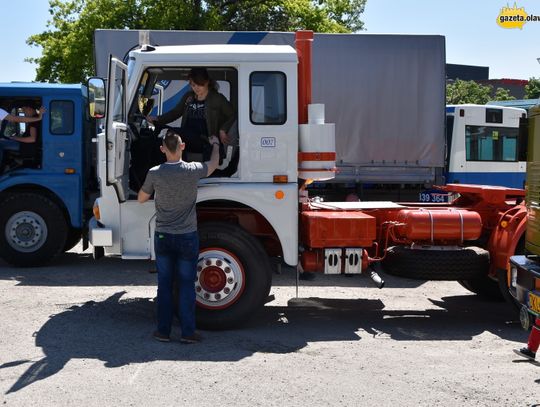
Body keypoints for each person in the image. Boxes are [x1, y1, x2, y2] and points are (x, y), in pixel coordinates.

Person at [138, 129, 220, 344]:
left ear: (162, 149)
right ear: (182, 147)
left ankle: (163, 332)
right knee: (186, 285)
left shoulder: (155, 172)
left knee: (164, 285)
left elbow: (141, 198)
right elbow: (213, 165)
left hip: (163, 236)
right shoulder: (192, 170)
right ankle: (187, 333)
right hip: (187, 237)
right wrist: (216, 145)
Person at [147, 68, 235, 161]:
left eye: (200, 84)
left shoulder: (218, 98)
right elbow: (175, 113)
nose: (196, 88)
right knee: (162, 139)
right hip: (187, 137)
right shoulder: (189, 96)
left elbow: (232, 115)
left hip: (204, 140)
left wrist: (223, 130)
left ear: (207, 82)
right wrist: (157, 119)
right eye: (193, 85)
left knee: (172, 132)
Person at [0, 104, 45, 169]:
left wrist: (15, 138)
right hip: (26, 146)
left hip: (26, 146)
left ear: (29, 108)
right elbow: (16, 119)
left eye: (24, 110)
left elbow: (32, 139)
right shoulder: (35, 120)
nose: (24, 112)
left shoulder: (34, 121)